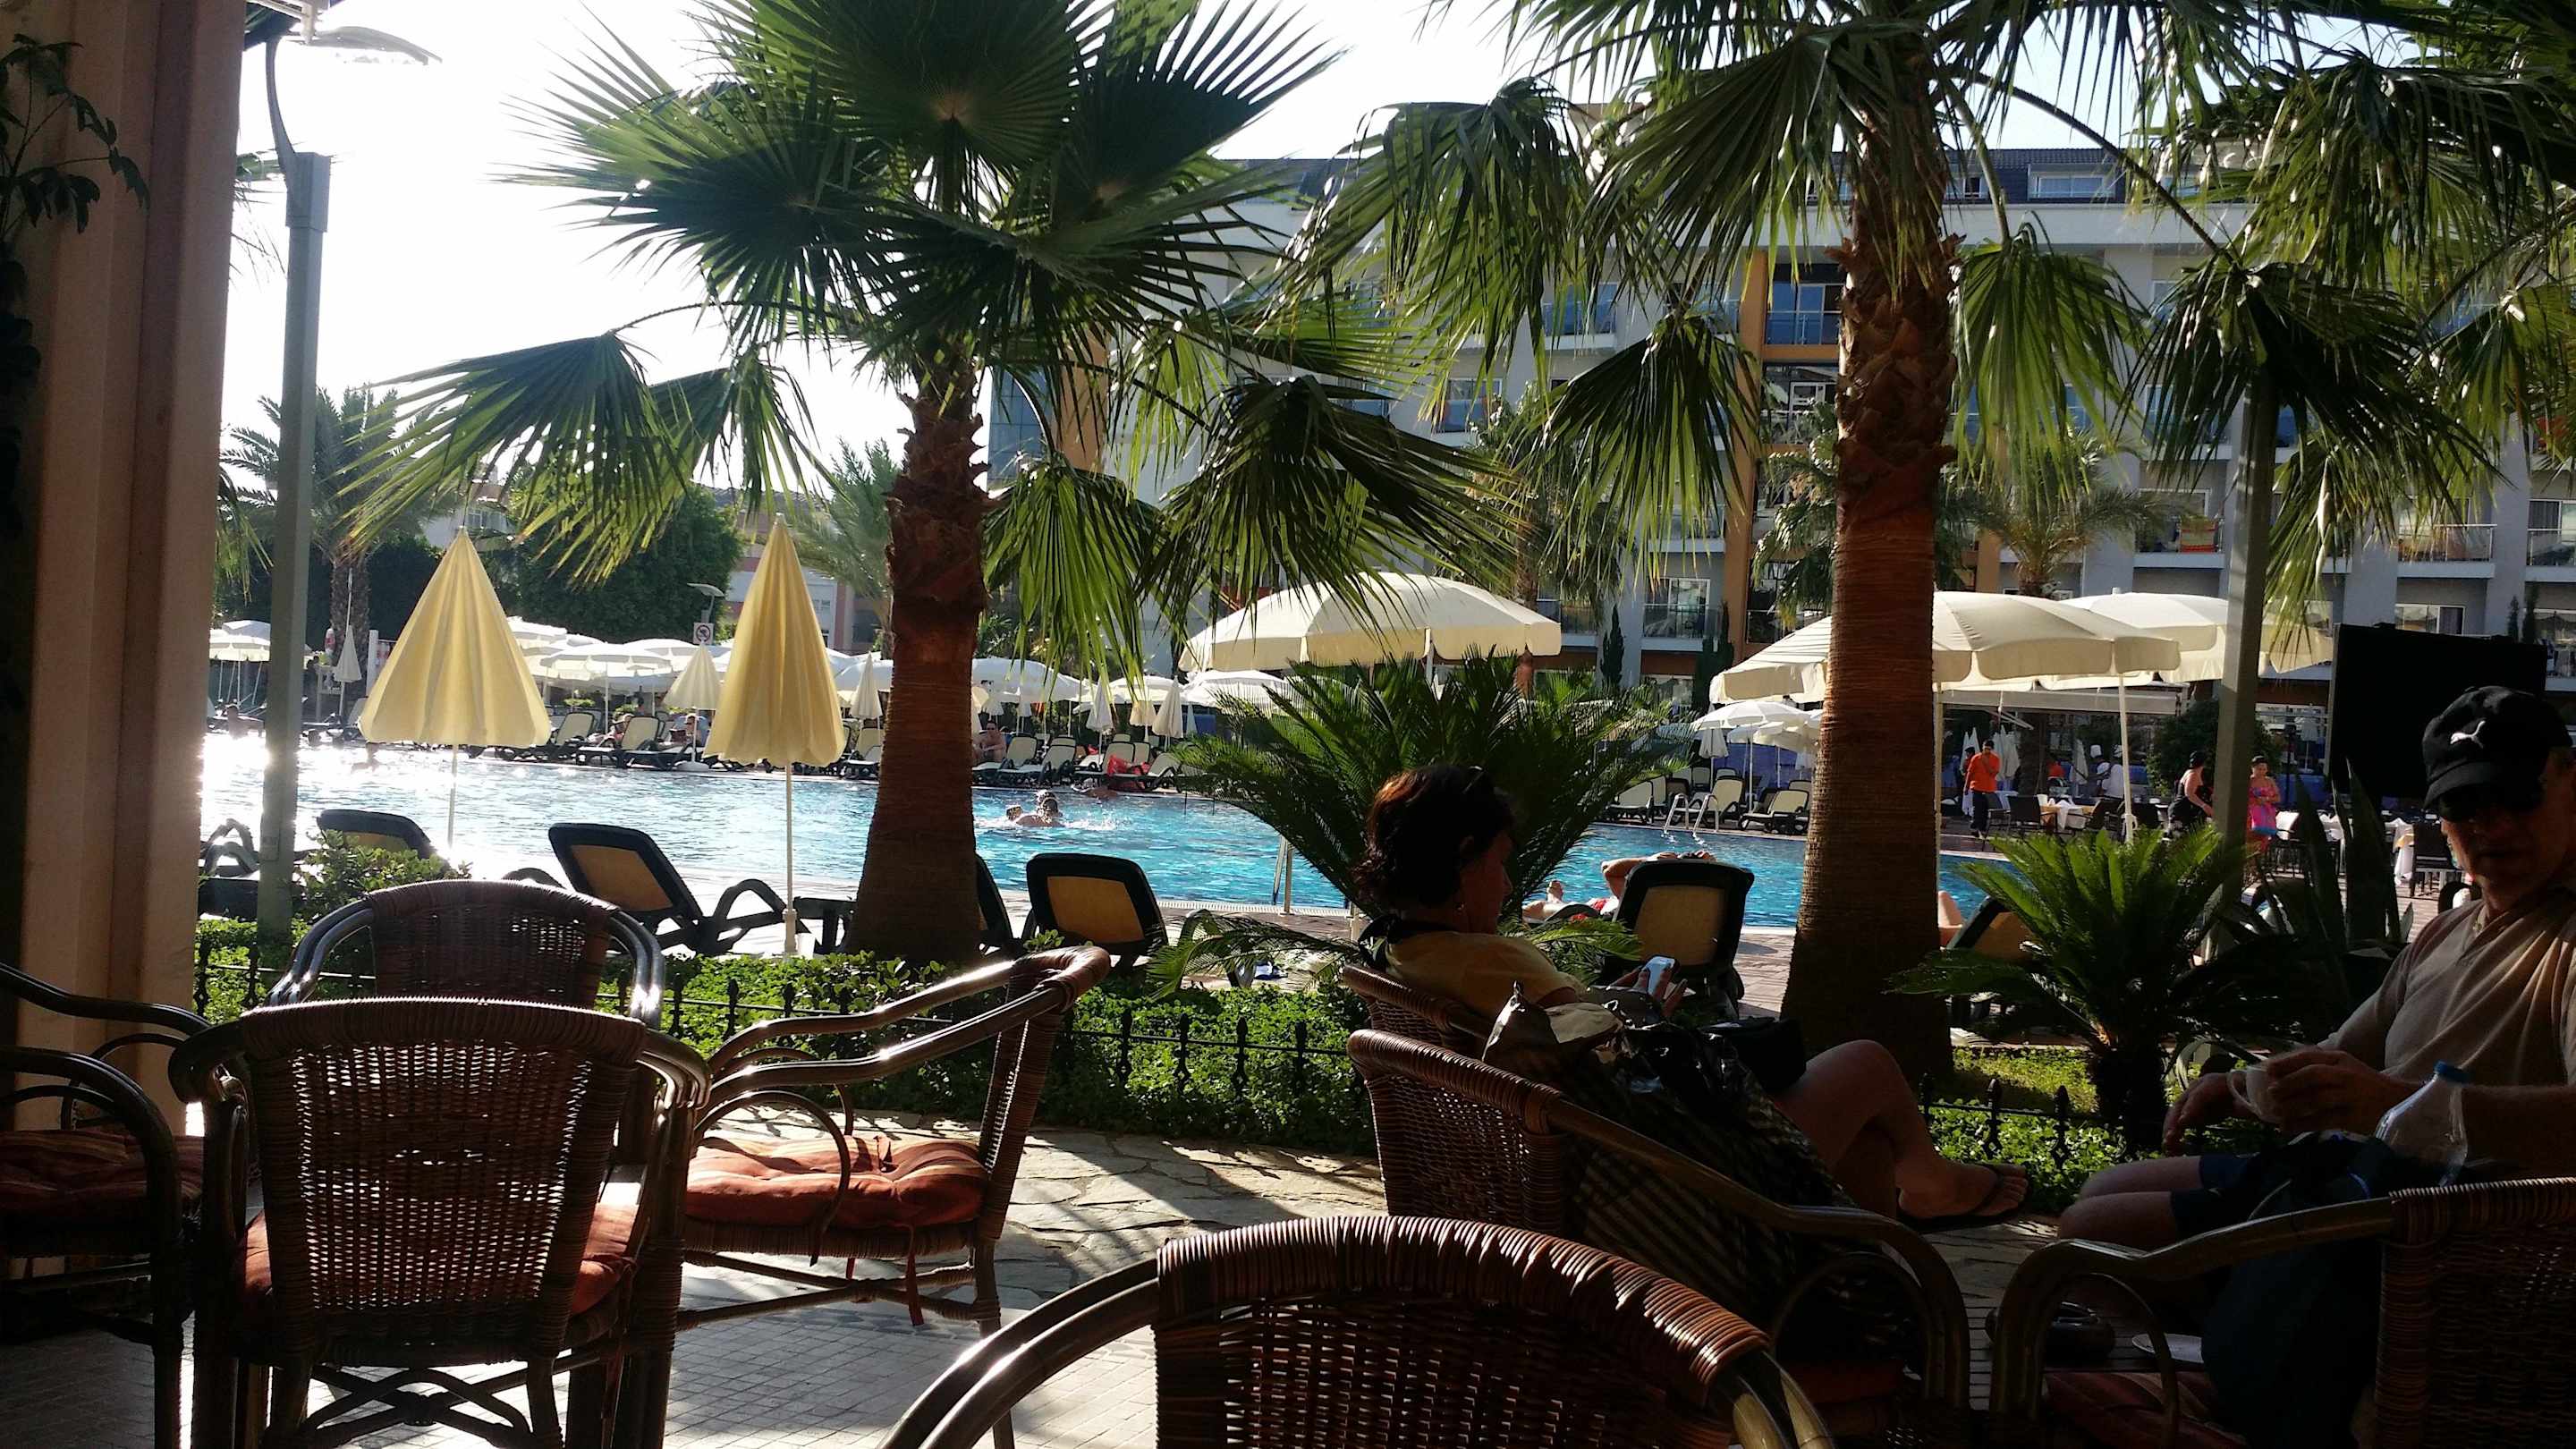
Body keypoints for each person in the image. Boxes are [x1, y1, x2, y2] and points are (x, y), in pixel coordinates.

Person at [1359, 765, 2027, 1224]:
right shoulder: (1492, 959)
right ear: (1463, 859)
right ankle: (1936, 1187)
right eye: (1500, 863)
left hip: (1579, 1166)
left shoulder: (1404, 952)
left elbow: (1565, 1039)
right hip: (1667, 1181)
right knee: (1867, 1064)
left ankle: (1854, 1298)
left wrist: (1612, 1006)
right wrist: (1649, 1010)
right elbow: (1613, 1061)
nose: (1508, 885)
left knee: (1868, 1152)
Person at [2063, 686, 2576, 1248]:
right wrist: (2239, 1088)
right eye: (2463, 803)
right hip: (2352, 1176)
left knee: (2092, 1231)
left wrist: (2392, 1106)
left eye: (2516, 796)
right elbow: (2347, 1049)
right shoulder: (2448, 930)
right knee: (2101, 1191)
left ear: (2570, 783)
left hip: (2427, 1225)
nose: (2491, 824)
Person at [1965, 739, 2004, 835]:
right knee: (1977, 808)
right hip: (1976, 787)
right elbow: (1970, 773)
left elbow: (1993, 774)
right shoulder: (1976, 758)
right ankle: (1974, 827)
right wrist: (1966, 786)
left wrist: (1986, 763)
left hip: (1989, 788)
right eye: (1985, 749)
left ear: (1992, 749)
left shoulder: (1995, 759)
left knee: (1985, 810)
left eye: (1988, 749)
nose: (1986, 751)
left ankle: (1982, 828)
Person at [2246, 754, 2282, 852]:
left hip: (2265, 815)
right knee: (2250, 841)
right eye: (2259, 769)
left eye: (2264, 769)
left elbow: (2278, 798)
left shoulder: (2269, 781)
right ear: (2253, 768)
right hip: (2250, 815)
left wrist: (2266, 799)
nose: (2262, 772)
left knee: (2262, 842)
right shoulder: (2249, 781)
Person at [2172, 750, 2214, 829]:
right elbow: (2189, 794)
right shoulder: (2193, 775)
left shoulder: (2193, 773)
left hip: (2187, 813)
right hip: (2183, 812)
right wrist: (2204, 806)